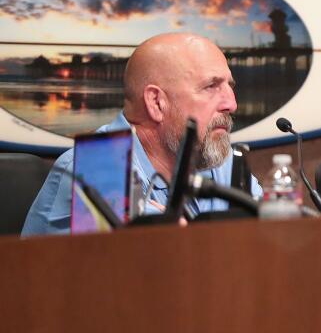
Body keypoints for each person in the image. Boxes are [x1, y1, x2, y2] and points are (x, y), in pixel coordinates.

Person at [21, 32, 262, 236]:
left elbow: (267, 242)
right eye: (211, 86)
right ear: (156, 103)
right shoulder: (96, 165)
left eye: (229, 87)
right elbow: (131, 277)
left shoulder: (220, 160)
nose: (232, 103)